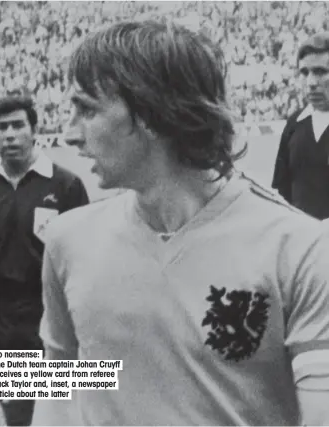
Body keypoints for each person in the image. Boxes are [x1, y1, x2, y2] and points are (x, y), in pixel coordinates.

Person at [34, 21, 329, 426]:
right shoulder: (67, 240)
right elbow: (57, 387)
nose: (69, 134)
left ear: (153, 114)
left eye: (87, 109)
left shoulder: (302, 249)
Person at [0, 95, 90, 426]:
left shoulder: (66, 185)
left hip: (47, 310)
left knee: (55, 409)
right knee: (15, 409)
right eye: (2, 127)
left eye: (18, 125)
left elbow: (85, 255)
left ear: (34, 131)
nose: (10, 134)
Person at [272, 31, 329, 221]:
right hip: (301, 244)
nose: (311, 82)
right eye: (304, 72)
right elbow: (281, 191)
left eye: (321, 72)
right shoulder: (294, 124)